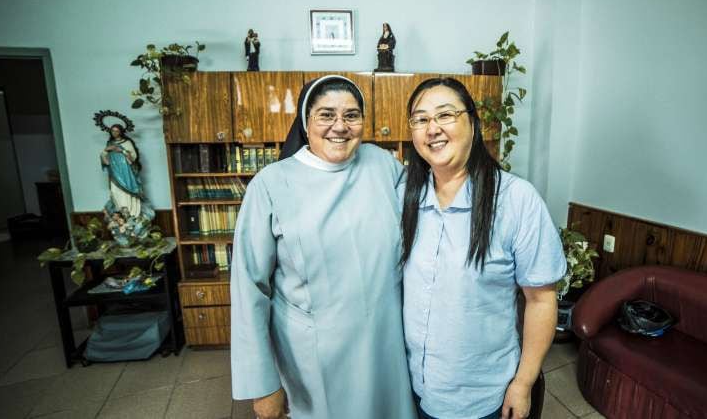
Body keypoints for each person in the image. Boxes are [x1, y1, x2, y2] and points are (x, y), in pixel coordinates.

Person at [230, 75, 416, 419]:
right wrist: (263, 384)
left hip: (385, 349)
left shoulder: (383, 165)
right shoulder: (271, 184)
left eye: (352, 115)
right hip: (314, 360)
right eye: (326, 115)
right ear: (306, 121)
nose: (340, 127)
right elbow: (249, 290)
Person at [401, 78, 566, 419]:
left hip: (482, 398)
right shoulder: (406, 194)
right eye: (420, 119)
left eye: (445, 115)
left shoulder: (516, 200)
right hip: (414, 387)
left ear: (473, 124)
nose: (432, 129)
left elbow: (541, 299)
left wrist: (523, 383)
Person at [100, 123, 143, 218]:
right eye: (112, 131)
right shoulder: (109, 143)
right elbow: (104, 158)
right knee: (116, 192)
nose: (114, 133)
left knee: (128, 193)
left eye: (117, 131)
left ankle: (132, 214)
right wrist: (106, 150)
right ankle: (121, 214)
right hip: (114, 172)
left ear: (121, 132)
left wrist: (122, 151)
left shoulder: (127, 143)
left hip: (126, 171)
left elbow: (134, 157)